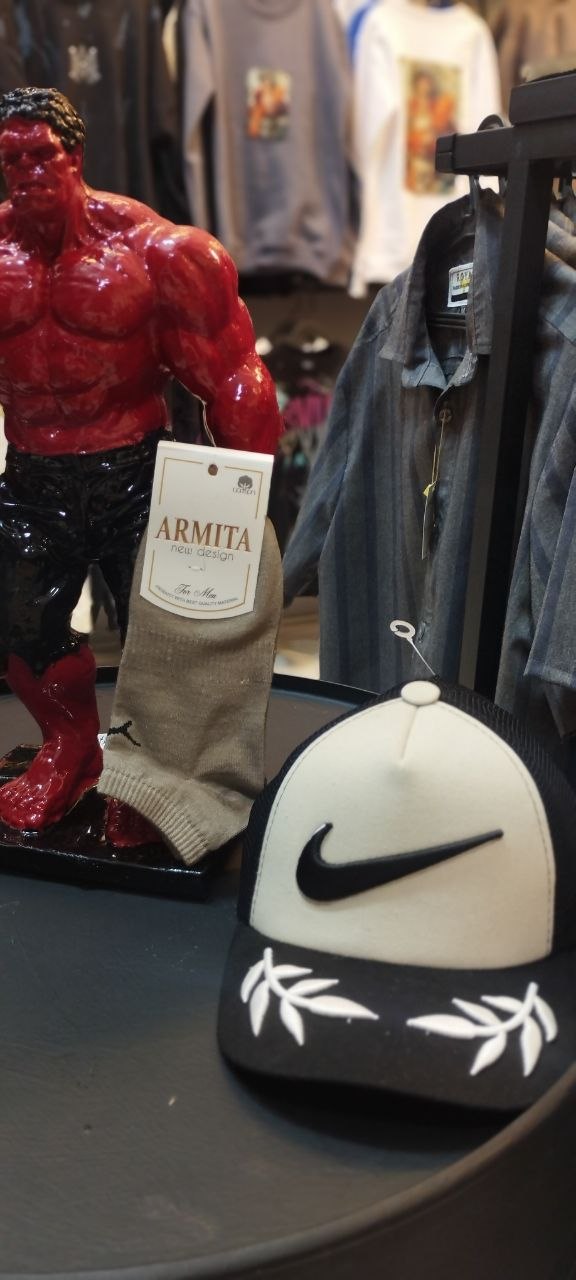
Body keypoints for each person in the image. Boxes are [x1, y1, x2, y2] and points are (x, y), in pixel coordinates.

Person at [0, 86, 282, 835]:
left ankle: (150, 772)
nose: (27, 173)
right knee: (17, 622)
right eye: (12, 160)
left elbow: (233, 375)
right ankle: (69, 747)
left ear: (74, 155)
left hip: (137, 471)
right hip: (33, 472)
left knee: (165, 635)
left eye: (41, 156)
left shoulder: (157, 252)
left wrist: (243, 500)